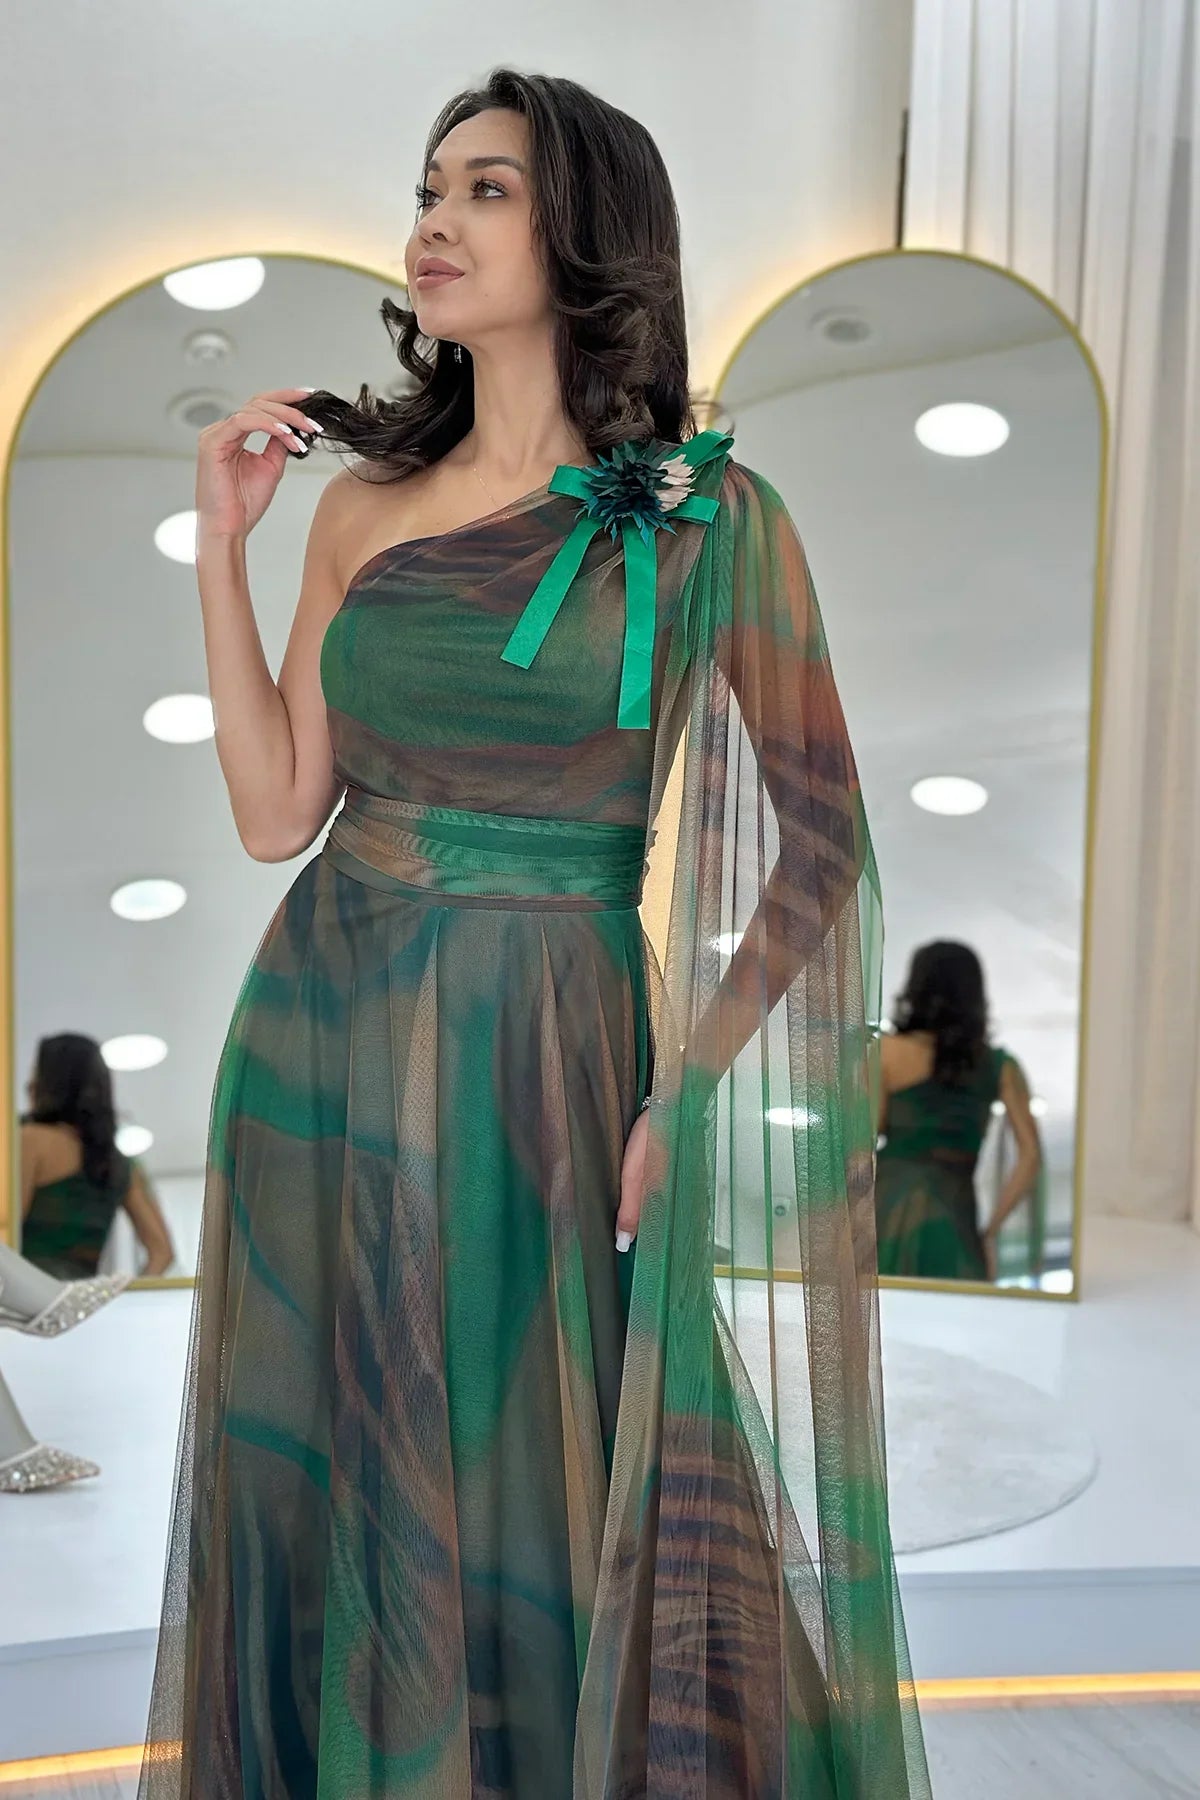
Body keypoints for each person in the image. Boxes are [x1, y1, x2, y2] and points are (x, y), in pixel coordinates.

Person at [138, 69, 929, 1799]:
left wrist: (688, 1092)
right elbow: (277, 812)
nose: (433, 222)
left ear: (586, 229)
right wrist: (220, 550)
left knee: (545, 1473)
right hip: (325, 1045)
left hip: (548, 1057)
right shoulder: (358, 509)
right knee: (343, 1469)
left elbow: (822, 850)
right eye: (429, 189)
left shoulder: (713, 519)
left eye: (485, 189)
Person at [875, 940, 1045, 1282]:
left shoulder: (886, 1052)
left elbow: (864, 1140)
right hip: (955, 1215)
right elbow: (1031, 1157)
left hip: (889, 1207)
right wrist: (991, 1231)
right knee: (955, 1309)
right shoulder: (1001, 1066)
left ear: (916, 988)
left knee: (887, 1307)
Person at [20, 1032, 176, 1279]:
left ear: (50, 1082)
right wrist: (128, 1297)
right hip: (85, 1299)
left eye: (36, 1073)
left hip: (25, 1296)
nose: (29, 1084)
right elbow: (163, 1252)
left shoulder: (30, 1139)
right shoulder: (121, 1163)